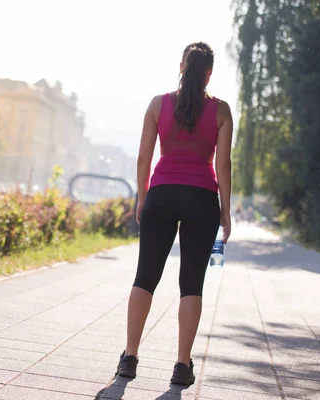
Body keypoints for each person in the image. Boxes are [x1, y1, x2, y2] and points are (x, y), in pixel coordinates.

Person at [116, 42, 233, 386]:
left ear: (181, 66)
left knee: (145, 276)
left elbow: (143, 160)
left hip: (162, 194)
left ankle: (130, 357)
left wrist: (142, 199)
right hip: (202, 199)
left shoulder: (158, 104)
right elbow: (223, 164)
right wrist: (225, 211)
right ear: (209, 72)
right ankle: (182, 365)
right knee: (192, 284)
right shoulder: (222, 111)